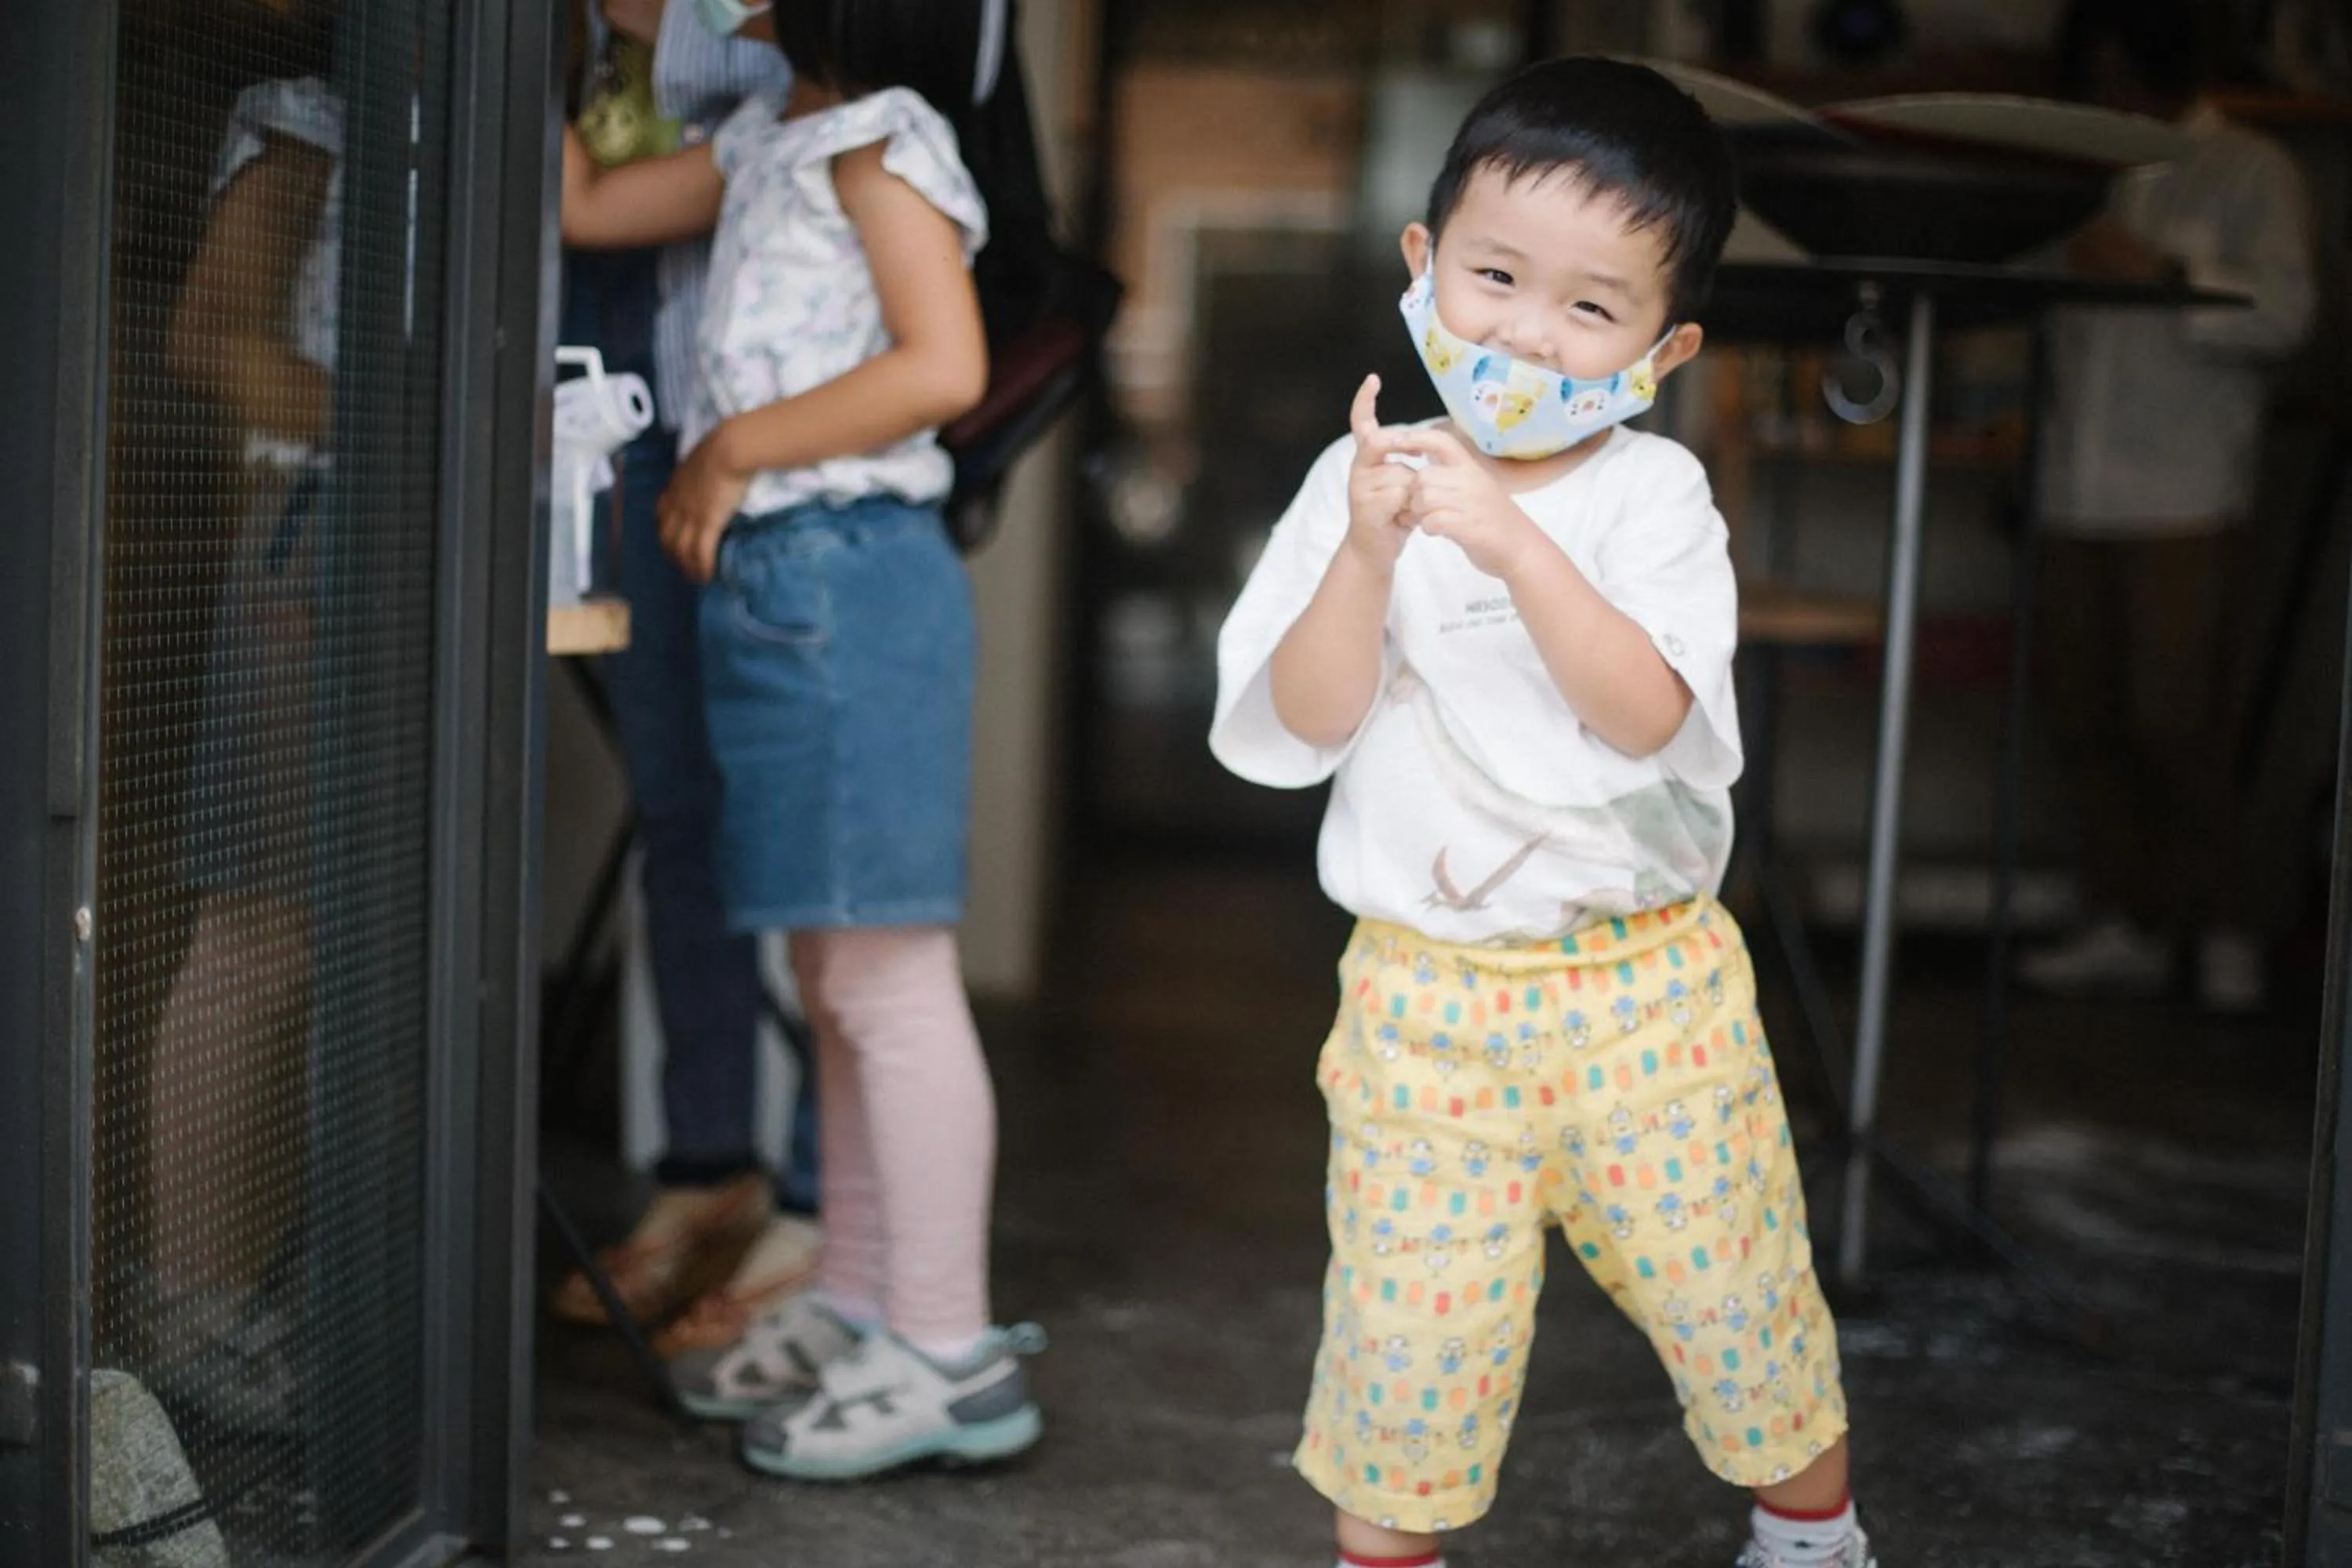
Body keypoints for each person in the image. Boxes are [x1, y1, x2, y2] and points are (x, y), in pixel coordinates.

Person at [1211, 59, 1873, 1568]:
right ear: (1423, 264)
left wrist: (1513, 545)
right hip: (1426, 1002)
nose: (1525, 330)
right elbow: (1299, 730)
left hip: (1649, 991)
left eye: (1592, 306)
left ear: (1668, 343)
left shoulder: (1655, 501)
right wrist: (1369, 561)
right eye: (1496, 275)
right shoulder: (1356, 483)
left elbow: (1650, 716)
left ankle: (1814, 1536)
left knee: (1740, 1304)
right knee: (1405, 1352)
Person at [559, 0, 1044, 1481]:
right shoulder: (775, 135)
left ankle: (950, 1350)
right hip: (782, 590)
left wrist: (727, 448)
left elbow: (943, 367)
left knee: (886, 981)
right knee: (836, 977)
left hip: (844, 576)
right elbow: (583, 203)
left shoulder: (888, 146)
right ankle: (856, 1301)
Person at [546, 0, 830, 1359]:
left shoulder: (803, 108)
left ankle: (829, 1214)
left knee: (820, 839)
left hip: (762, 442)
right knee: (678, 809)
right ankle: (707, 1163)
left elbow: (581, 205)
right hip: (628, 422)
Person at [2020, 0, 2316, 1013]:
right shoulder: (2083, 167)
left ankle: (2224, 924)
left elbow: (2287, 313)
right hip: (2072, 478)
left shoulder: (2246, 170)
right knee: (2082, 711)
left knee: (2178, 716)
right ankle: (2124, 920)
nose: (2108, 94)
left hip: (2186, 484)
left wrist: (2165, 276)